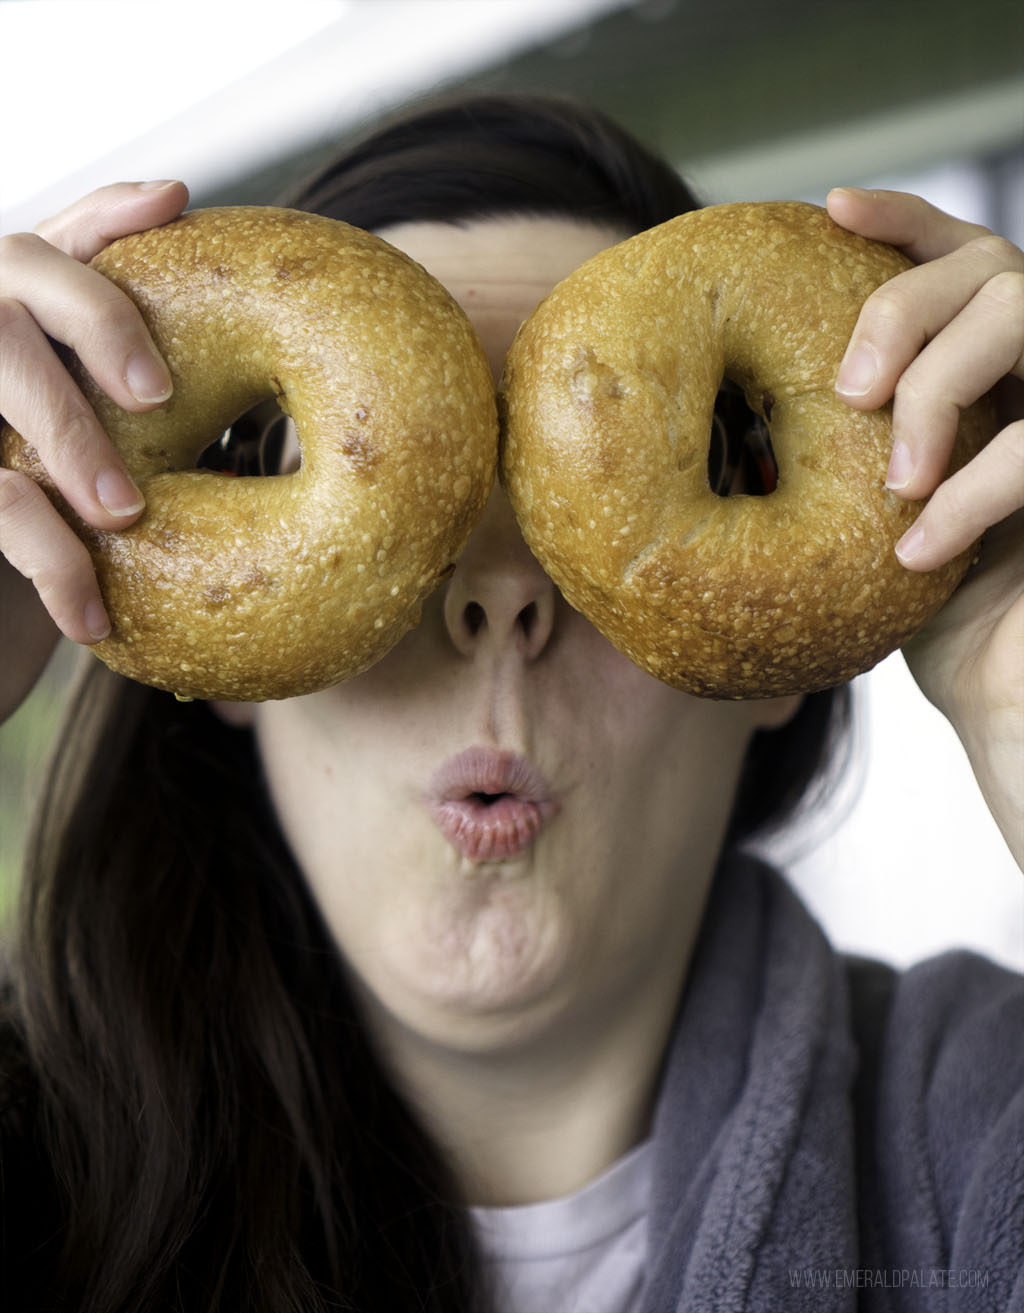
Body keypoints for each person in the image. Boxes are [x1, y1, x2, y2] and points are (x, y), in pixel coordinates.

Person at [0, 94, 1021, 1313]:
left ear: (781, 657)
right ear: (230, 664)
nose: (495, 602)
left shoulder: (979, 1126)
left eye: (578, 498)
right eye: (412, 503)